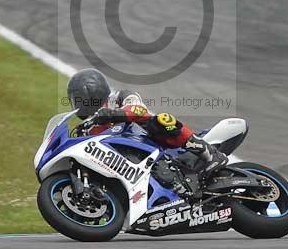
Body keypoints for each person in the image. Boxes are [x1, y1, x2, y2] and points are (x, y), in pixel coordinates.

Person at [66, 68, 228, 179]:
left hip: (154, 143)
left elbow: (139, 109)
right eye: (74, 100)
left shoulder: (118, 98)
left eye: (79, 97)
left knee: (161, 120)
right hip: (125, 164)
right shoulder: (86, 129)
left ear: (93, 91)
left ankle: (210, 153)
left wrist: (112, 115)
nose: (78, 103)